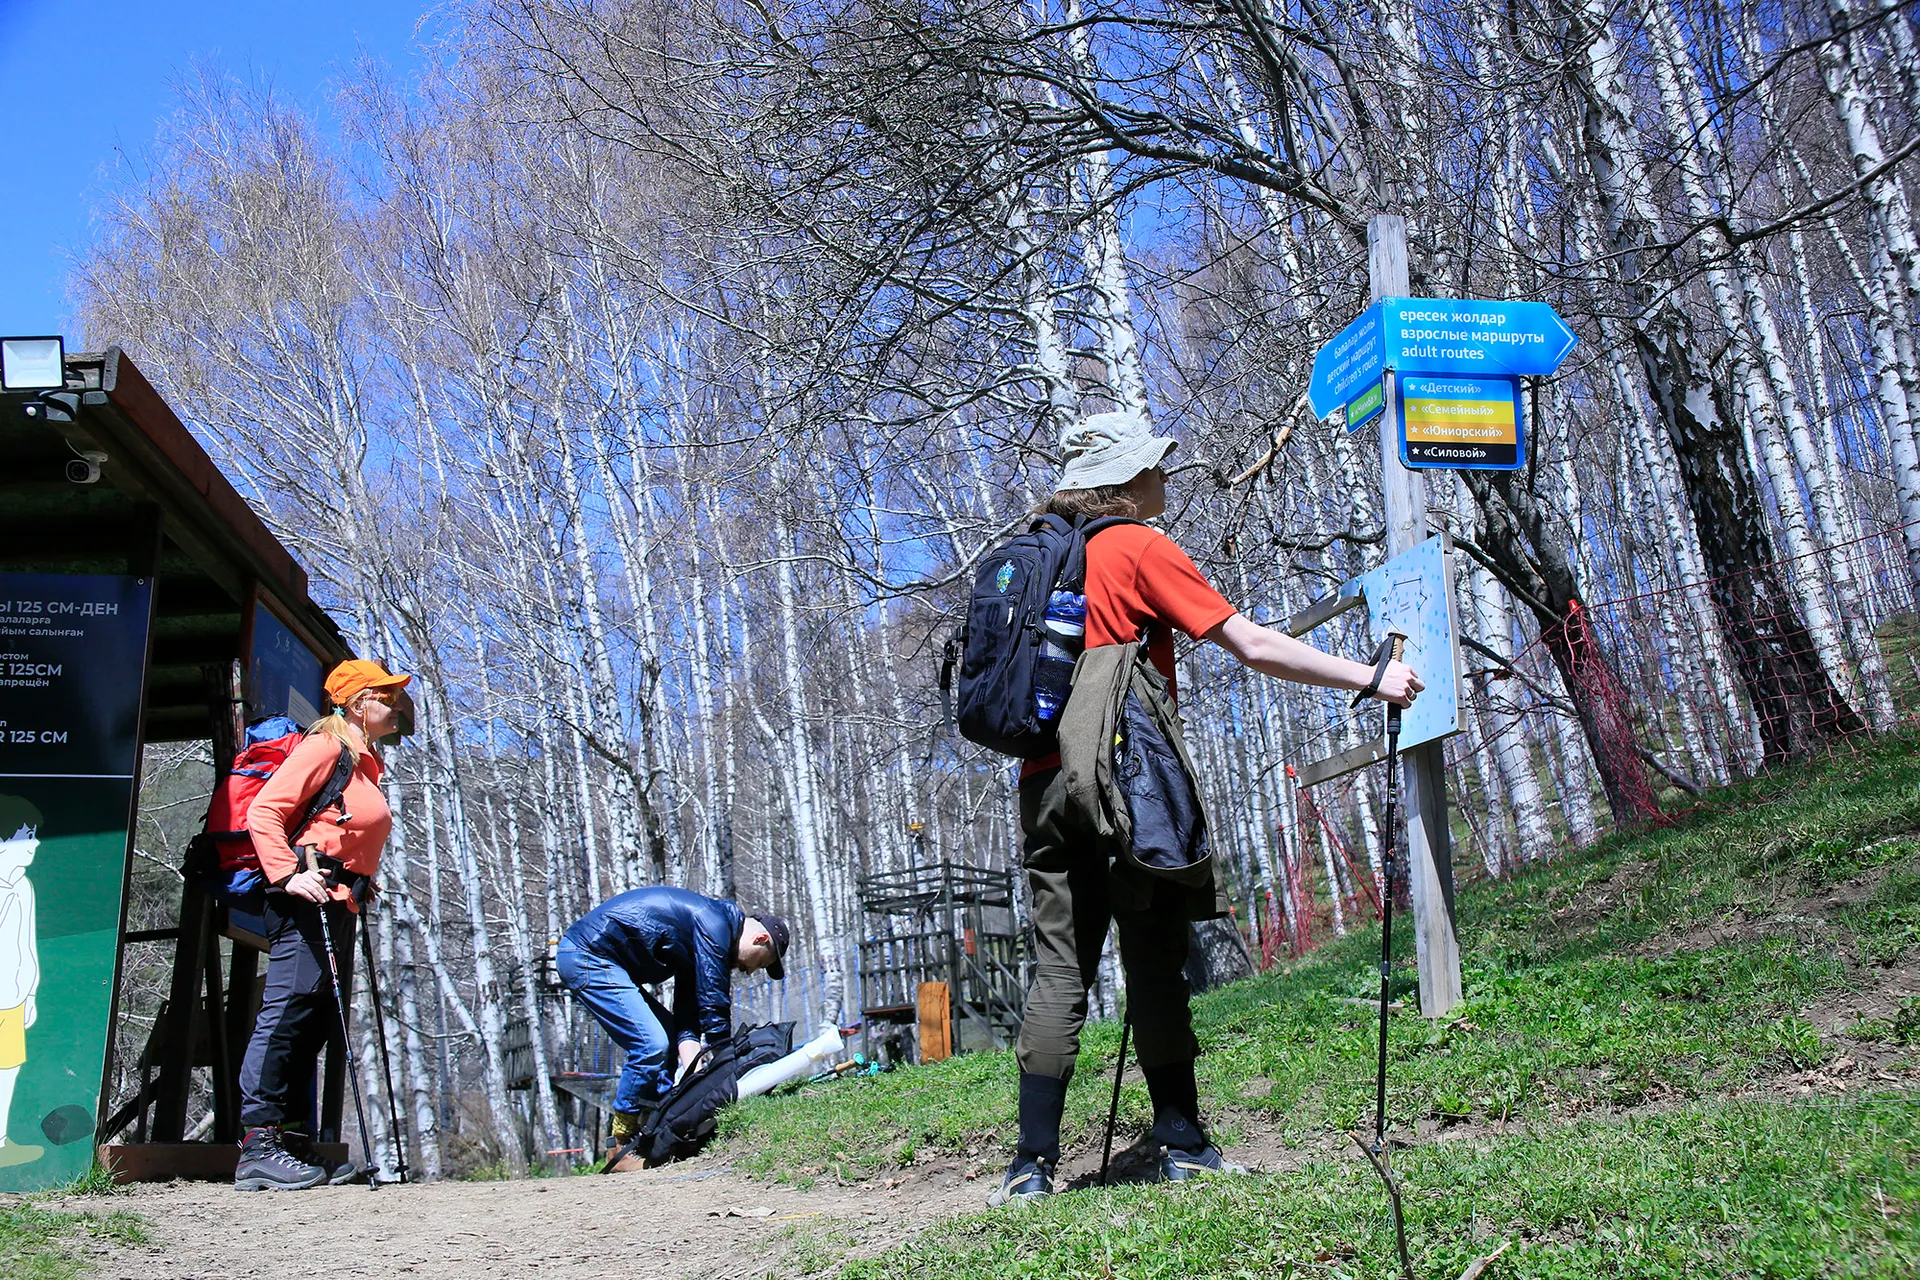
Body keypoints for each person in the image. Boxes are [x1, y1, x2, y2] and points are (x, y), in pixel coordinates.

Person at [989, 409, 1422, 1206]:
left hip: (1043, 786)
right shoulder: (1135, 546)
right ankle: (1182, 1142)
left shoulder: (1037, 556)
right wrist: (1368, 678)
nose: (1165, 476)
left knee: (1059, 966)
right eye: (1152, 466)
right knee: (1153, 953)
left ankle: (1029, 1169)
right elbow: (1250, 644)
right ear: (1120, 483)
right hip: (1119, 781)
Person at [234, 658, 414, 1191]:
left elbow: (341, 832)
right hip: (303, 902)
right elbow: (264, 812)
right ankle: (256, 1145)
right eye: (388, 695)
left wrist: (359, 879)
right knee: (287, 1014)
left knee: (313, 1022)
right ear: (358, 703)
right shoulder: (324, 749)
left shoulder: (364, 761)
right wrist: (289, 875)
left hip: (339, 903)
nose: (398, 704)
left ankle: (288, 1142)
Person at [556, 887, 790, 1162]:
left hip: (601, 960)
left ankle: (654, 1133)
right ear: (761, 939)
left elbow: (687, 1021)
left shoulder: (703, 935)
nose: (750, 971)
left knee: (665, 1036)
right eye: (761, 963)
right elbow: (714, 1009)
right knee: (651, 1043)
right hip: (587, 956)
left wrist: (696, 1079)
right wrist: (729, 1067)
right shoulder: (714, 925)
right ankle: (620, 1145)